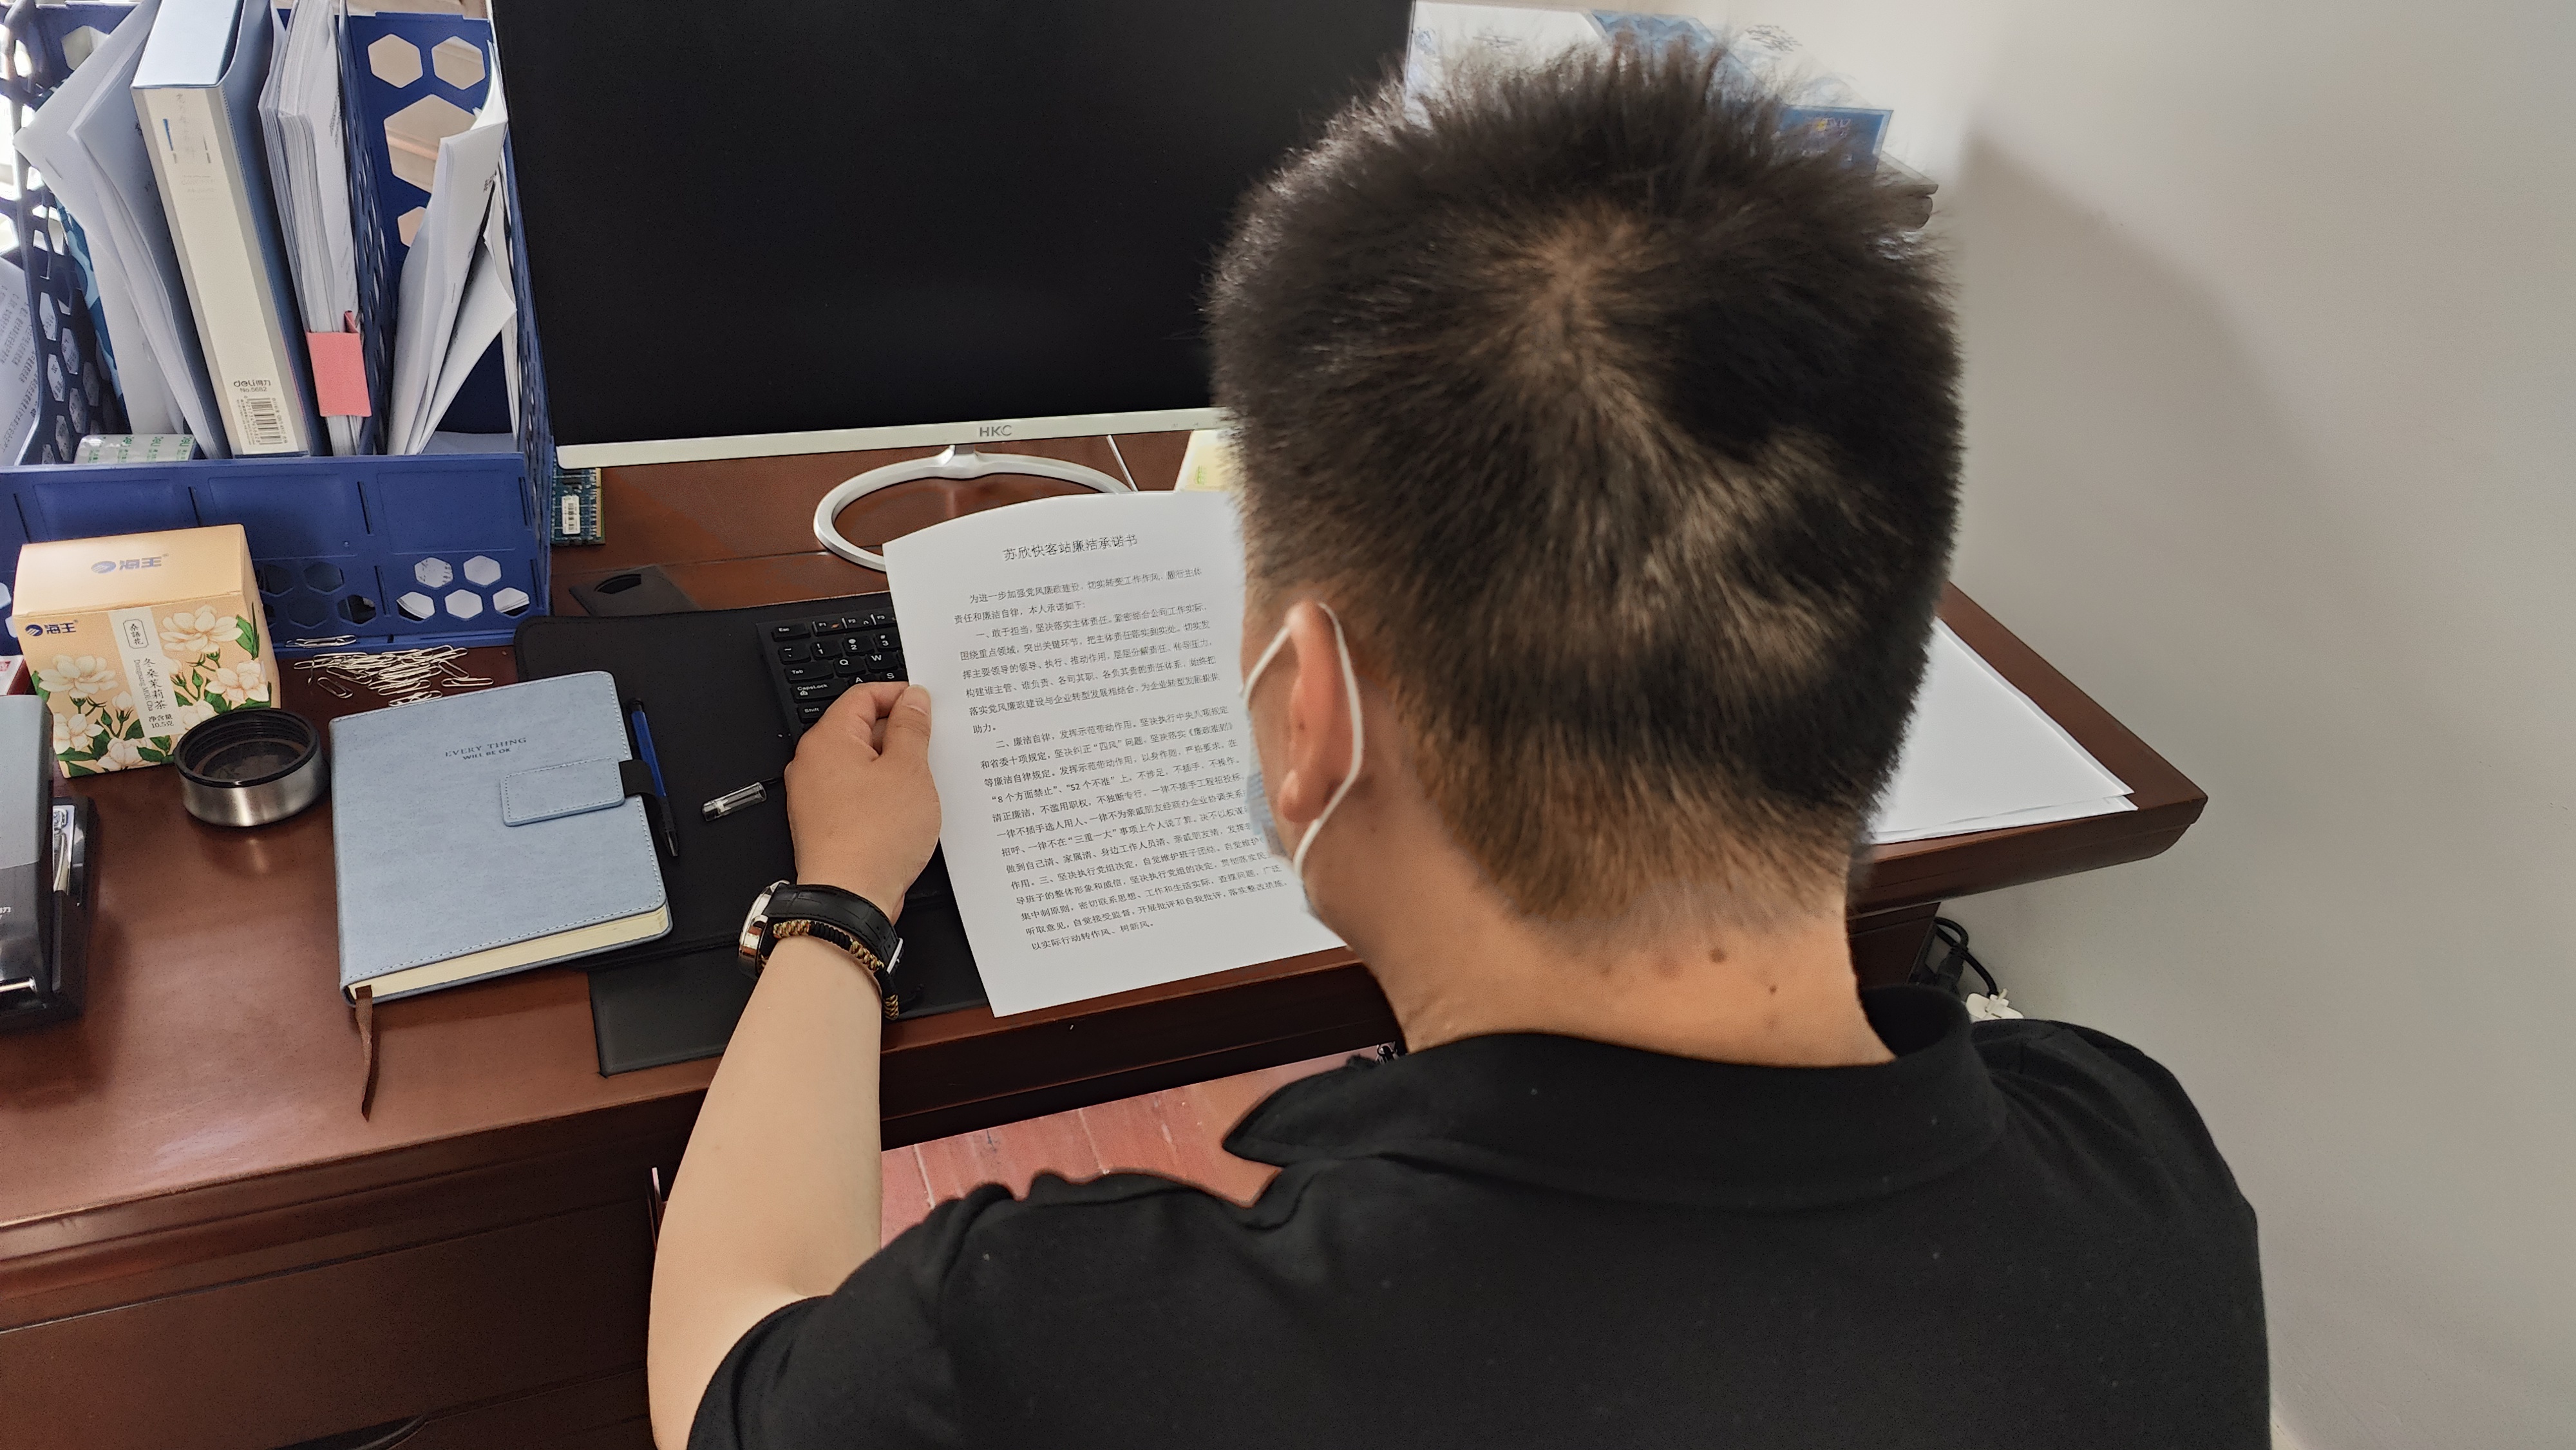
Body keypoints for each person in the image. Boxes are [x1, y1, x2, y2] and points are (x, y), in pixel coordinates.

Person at [649, 43, 2268, 1450]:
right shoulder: (2139, 1167)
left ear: (1311, 715)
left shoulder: (1047, 1356)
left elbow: (727, 1361)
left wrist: (840, 905)